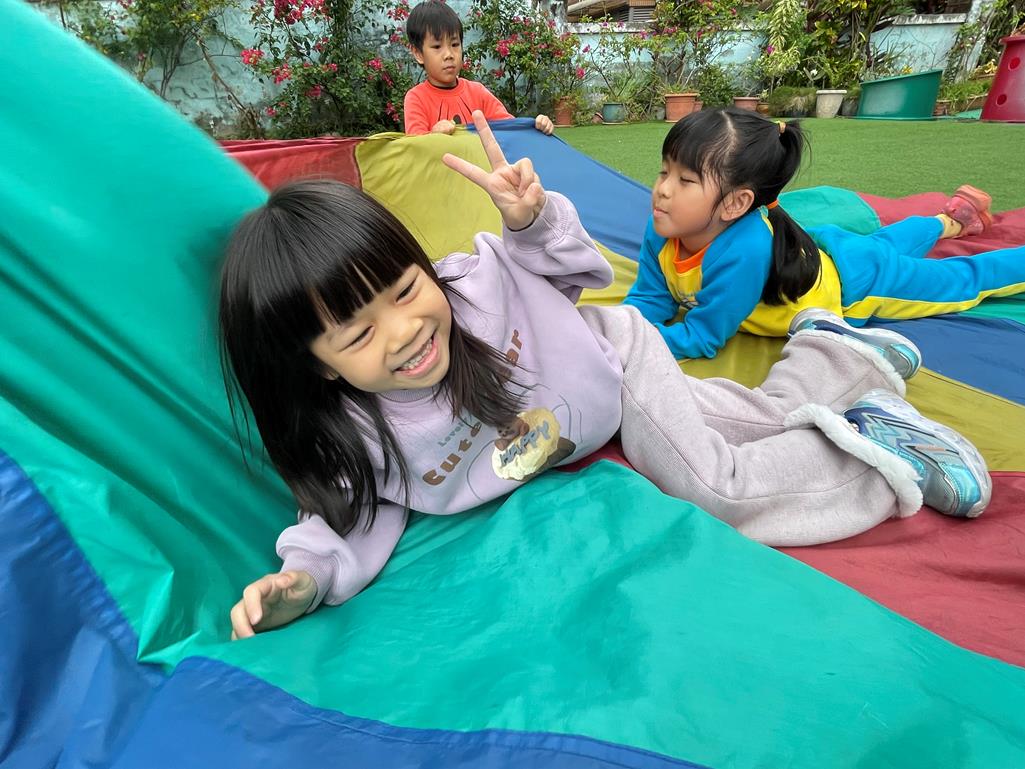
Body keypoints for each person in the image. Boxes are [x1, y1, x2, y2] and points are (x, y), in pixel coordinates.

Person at [220, 111, 990, 639]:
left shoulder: (476, 285)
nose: (405, 330)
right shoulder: (360, 436)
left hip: (614, 367)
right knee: (752, 416)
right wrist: (303, 581)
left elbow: (572, 270)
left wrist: (529, 220)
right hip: (595, 414)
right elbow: (347, 520)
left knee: (715, 483)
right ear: (315, 364)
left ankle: (879, 459)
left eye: (404, 290)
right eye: (358, 332)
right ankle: (841, 354)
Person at [624, 107, 1025, 360]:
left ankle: (964, 230)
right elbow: (650, 298)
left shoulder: (743, 251)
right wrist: (616, 324)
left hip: (857, 286)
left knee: (963, 279)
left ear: (735, 203)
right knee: (886, 243)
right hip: (832, 252)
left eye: (685, 180)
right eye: (664, 171)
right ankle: (950, 220)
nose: (663, 189)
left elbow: (702, 336)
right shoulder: (665, 227)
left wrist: (622, 342)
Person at [402, 0, 554, 136]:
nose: (449, 55)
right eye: (437, 46)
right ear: (418, 53)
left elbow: (509, 128)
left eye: (455, 44)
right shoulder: (416, 98)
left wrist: (536, 125)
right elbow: (415, 148)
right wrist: (434, 135)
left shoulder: (477, 92)